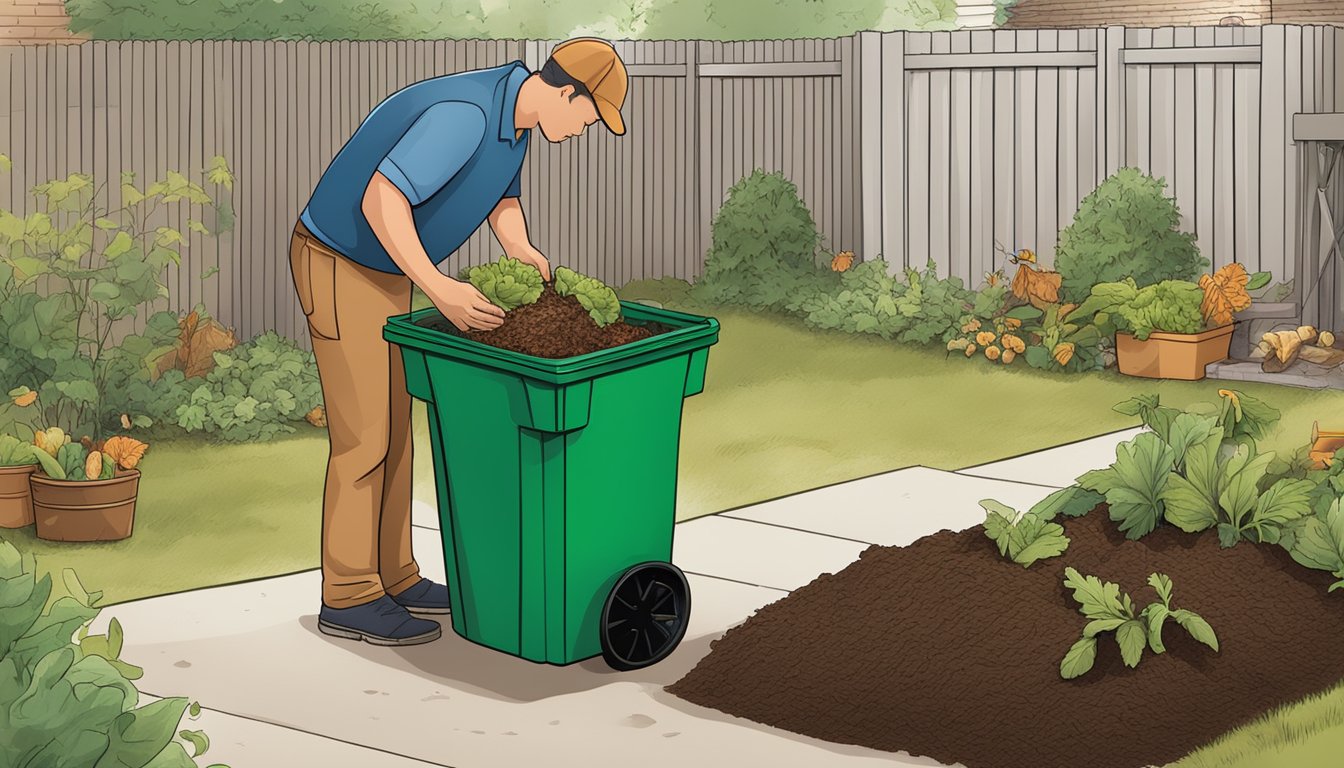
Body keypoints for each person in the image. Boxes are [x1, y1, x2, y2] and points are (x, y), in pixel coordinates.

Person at [288, 38, 629, 646]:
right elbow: (382, 197)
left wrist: (520, 248)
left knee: (395, 429)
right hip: (340, 260)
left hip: (384, 268)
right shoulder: (466, 115)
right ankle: (348, 595)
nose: (585, 130)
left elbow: (501, 196)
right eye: (588, 115)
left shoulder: (515, 120)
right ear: (566, 91)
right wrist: (440, 288)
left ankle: (396, 576)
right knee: (364, 436)